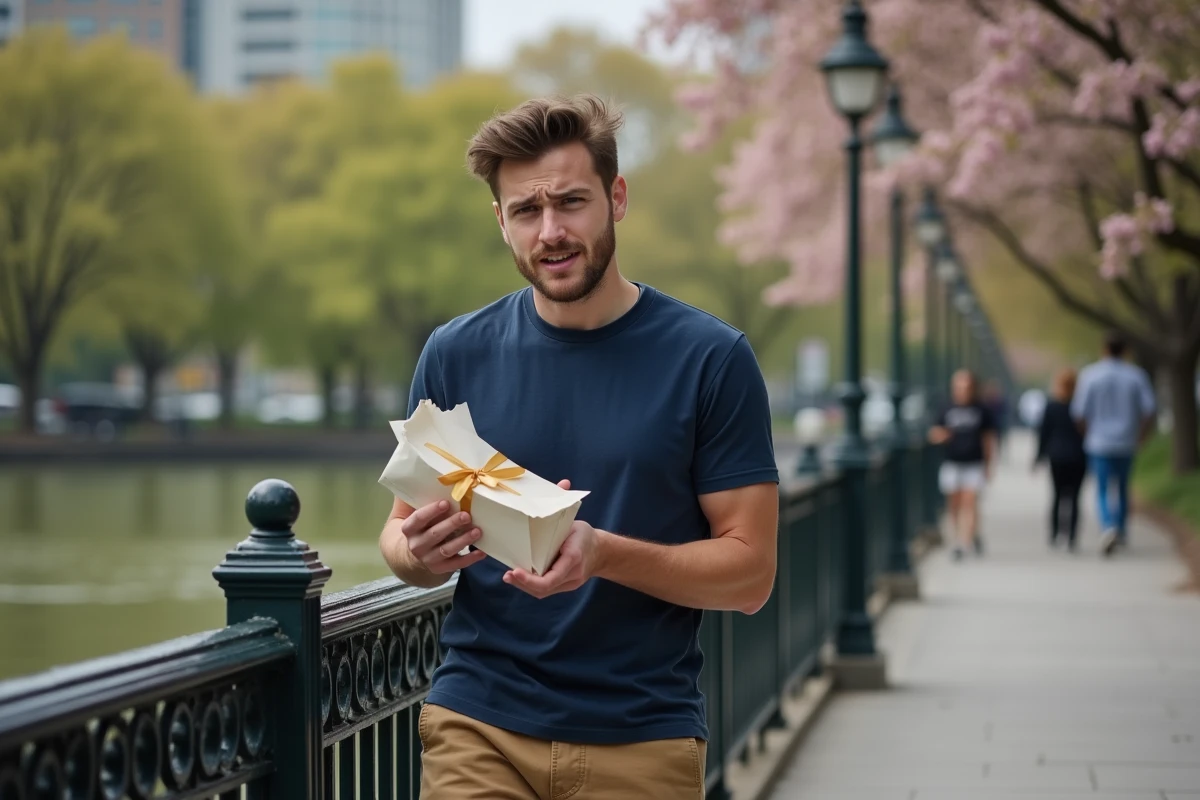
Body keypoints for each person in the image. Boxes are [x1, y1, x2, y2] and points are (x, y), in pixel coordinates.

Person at [377, 95, 780, 798]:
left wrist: (602, 554)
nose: (551, 231)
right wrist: (419, 553)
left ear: (616, 198)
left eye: (571, 202)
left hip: (642, 732)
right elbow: (396, 540)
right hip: (479, 722)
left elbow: (751, 574)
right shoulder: (453, 354)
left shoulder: (711, 360)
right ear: (500, 220)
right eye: (526, 211)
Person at [1070, 332, 1157, 557]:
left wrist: (1087, 433)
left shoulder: (1090, 375)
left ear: (1104, 349)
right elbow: (1149, 410)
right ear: (1125, 350)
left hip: (1098, 442)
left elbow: (1079, 412)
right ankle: (1121, 529)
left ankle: (1108, 526)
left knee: (1102, 488)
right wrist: (1141, 435)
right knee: (1122, 487)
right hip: (1127, 441)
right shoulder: (1136, 376)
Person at [929, 369, 997, 561]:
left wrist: (988, 465)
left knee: (970, 502)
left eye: (966, 386)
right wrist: (941, 435)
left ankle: (964, 543)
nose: (962, 390)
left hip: (974, 463)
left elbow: (988, 439)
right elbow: (934, 432)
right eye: (958, 386)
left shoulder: (982, 410)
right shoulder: (946, 408)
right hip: (952, 462)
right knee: (954, 504)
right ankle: (962, 536)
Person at [1034, 368, 1087, 551]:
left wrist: (1039, 456)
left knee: (1056, 496)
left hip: (1057, 456)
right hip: (1078, 456)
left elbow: (1043, 433)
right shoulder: (1080, 407)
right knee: (1075, 498)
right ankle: (1071, 536)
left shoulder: (1052, 406)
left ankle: (1055, 533)